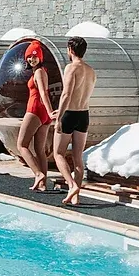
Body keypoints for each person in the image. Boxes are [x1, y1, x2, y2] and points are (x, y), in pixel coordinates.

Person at [51, 36, 97, 206]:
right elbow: (80, 95)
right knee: (78, 157)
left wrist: (59, 117)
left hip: (69, 115)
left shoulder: (71, 68)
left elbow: (66, 94)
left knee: (58, 153)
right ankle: (76, 196)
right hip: (83, 114)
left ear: (70, 50)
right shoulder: (91, 71)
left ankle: (71, 185)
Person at [18, 40, 54, 192]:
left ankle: (38, 174)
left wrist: (50, 111)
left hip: (35, 109)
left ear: (40, 57)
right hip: (43, 113)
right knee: (40, 149)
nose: (32, 59)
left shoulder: (39, 72)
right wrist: (49, 114)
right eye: (29, 57)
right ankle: (43, 184)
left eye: (35, 56)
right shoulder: (42, 71)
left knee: (22, 145)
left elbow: (43, 93)